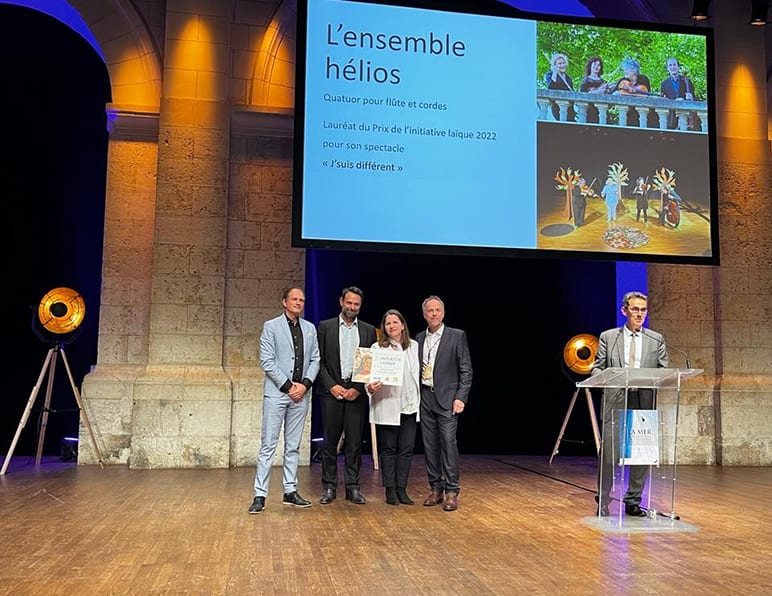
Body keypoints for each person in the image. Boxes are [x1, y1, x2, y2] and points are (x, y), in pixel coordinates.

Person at [591, 291, 669, 517]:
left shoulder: (656, 339)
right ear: (624, 311)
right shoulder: (609, 337)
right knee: (609, 454)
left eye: (643, 310)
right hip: (616, 399)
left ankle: (633, 500)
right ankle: (603, 500)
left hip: (643, 400)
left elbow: (664, 371)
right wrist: (606, 376)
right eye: (635, 310)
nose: (639, 314)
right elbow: (598, 367)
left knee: (642, 452)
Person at [249, 287, 320, 514]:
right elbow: (267, 361)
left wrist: (304, 385)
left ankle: (290, 491)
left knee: (293, 446)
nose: (299, 302)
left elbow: (316, 359)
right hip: (278, 394)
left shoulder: (309, 328)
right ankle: (260, 495)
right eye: (295, 299)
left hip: (301, 394)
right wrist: (290, 387)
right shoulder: (271, 326)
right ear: (284, 302)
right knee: (268, 444)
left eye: (302, 299)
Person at [316, 286, 378, 505]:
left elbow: (369, 363)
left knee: (354, 443)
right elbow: (319, 360)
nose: (352, 307)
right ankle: (329, 487)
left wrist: (358, 388)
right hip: (331, 392)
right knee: (329, 442)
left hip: (356, 394)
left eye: (357, 304)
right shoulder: (325, 326)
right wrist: (332, 386)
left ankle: (353, 487)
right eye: (349, 303)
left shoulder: (369, 331)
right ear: (341, 301)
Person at [416, 296, 472, 512]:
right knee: (429, 445)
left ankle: (451, 491)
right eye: (429, 310)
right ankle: (436, 488)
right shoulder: (419, 338)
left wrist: (461, 397)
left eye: (437, 310)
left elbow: (466, 370)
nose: (434, 314)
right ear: (424, 314)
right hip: (425, 397)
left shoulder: (456, 336)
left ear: (443, 313)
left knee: (448, 443)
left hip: (448, 400)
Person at [365, 309, 421, 506]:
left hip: (409, 404)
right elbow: (367, 378)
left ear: (402, 325)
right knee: (388, 448)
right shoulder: (376, 348)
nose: (392, 326)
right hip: (387, 404)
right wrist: (370, 387)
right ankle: (389, 489)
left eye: (395, 322)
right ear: (384, 327)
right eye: (388, 323)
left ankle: (401, 489)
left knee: (406, 448)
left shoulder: (413, 346)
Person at [612, 58, 652, 127]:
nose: (624, 71)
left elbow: (646, 94)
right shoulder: (623, 80)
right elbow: (614, 94)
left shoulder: (643, 79)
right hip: (626, 112)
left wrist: (631, 91)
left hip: (641, 111)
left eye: (627, 69)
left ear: (634, 71)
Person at [659, 57, 695, 129]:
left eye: (674, 65)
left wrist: (691, 97)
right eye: (670, 65)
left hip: (685, 114)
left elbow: (694, 98)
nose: (673, 67)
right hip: (671, 117)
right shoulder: (664, 83)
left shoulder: (686, 81)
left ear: (678, 67)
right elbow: (663, 100)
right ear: (667, 68)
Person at [543, 52, 576, 121]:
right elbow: (550, 88)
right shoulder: (550, 74)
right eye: (559, 64)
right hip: (557, 107)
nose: (562, 65)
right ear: (555, 65)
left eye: (564, 63)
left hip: (570, 108)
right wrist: (554, 72)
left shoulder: (568, 78)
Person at [579, 55, 610, 123]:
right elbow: (582, 95)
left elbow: (607, 97)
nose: (596, 67)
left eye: (599, 65)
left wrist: (607, 90)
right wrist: (598, 91)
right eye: (595, 64)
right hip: (590, 111)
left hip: (602, 110)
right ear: (590, 66)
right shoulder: (586, 80)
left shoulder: (603, 82)